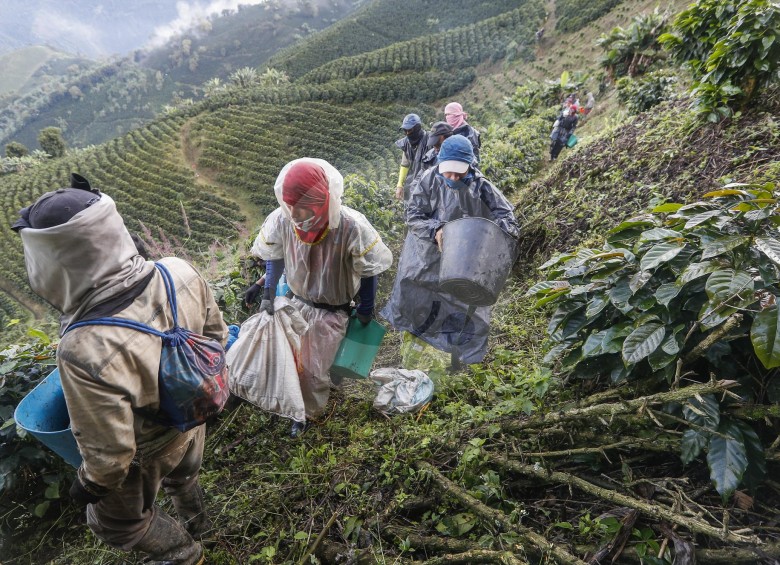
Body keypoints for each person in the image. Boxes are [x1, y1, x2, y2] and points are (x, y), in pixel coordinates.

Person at [12, 175, 227, 565]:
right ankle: (202, 526)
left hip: (150, 449)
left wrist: (88, 487)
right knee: (184, 476)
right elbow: (216, 338)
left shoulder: (81, 348)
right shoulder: (177, 271)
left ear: (51, 259)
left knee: (116, 524)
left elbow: (112, 456)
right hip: (194, 420)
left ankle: (184, 552)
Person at [247, 158, 392, 436]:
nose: (295, 213)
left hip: (331, 310)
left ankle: (305, 415)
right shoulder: (283, 219)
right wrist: (266, 292)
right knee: (293, 361)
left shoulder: (350, 226)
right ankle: (298, 401)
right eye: (290, 206)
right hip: (296, 302)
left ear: (319, 200)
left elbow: (369, 270)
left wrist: (366, 308)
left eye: (301, 207)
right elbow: (275, 257)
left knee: (312, 372)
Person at [381, 135, 519, 366]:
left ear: (470, 166)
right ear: (440, 164)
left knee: (464, 308)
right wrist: (436, 228)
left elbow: (508, 220)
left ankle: (459, 361)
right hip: (427, 256)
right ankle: (415, 357)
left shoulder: (482, 187)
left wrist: (485, 235)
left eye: (459, 173)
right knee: (419, 301)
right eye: (448, 172)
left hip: (466, 261)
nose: (453, 178)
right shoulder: (428, 179)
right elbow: (413, 215)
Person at [394, 113, 430, 205]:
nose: (407, 133)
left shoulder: (429, 140)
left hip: (428, 183)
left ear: (417, 128)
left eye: (409, 130)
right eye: (405, 130)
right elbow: (404, 165)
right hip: (411, 182)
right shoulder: (406, 143)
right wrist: (400, 185)